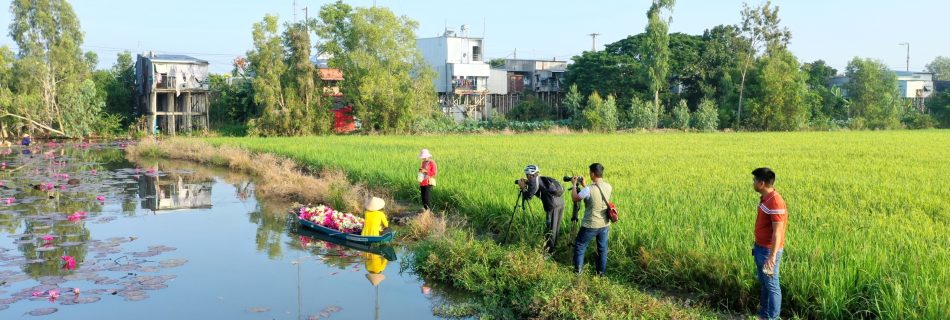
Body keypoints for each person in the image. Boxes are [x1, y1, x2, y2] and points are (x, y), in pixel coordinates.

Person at [751, 167, 788, 320]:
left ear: (761, 183)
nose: (752, 183)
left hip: (768, 251)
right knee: (765, 284)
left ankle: (772, 317)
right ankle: (764, 316)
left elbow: (777, 232)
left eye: (754, 180)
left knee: (772, 286)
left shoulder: (776, 202)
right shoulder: (766, 198)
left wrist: (772, 256)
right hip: (760, 248)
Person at [570, 163, 612, 275]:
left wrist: (574, 185)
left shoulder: (589, 189)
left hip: (590, 224)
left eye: (590, 173)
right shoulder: (608, 186)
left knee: (579, 244)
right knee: (602, 249)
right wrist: (584, 185)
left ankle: (578, 273)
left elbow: (575, 198)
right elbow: (596, 195)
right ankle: (601, 273)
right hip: (604, 224)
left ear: (592, 173)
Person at [516, 165, 565, 255]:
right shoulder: (540, 178)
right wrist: (527, 183)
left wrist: (523, 187)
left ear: (530, 175)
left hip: (552, 206)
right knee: (555, 227)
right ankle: (553, 248)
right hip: (560, 203)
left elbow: (528, 196)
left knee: (551, 229)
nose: (527, 177)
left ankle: (548, 252)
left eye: (527, 175)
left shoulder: (534, 182)